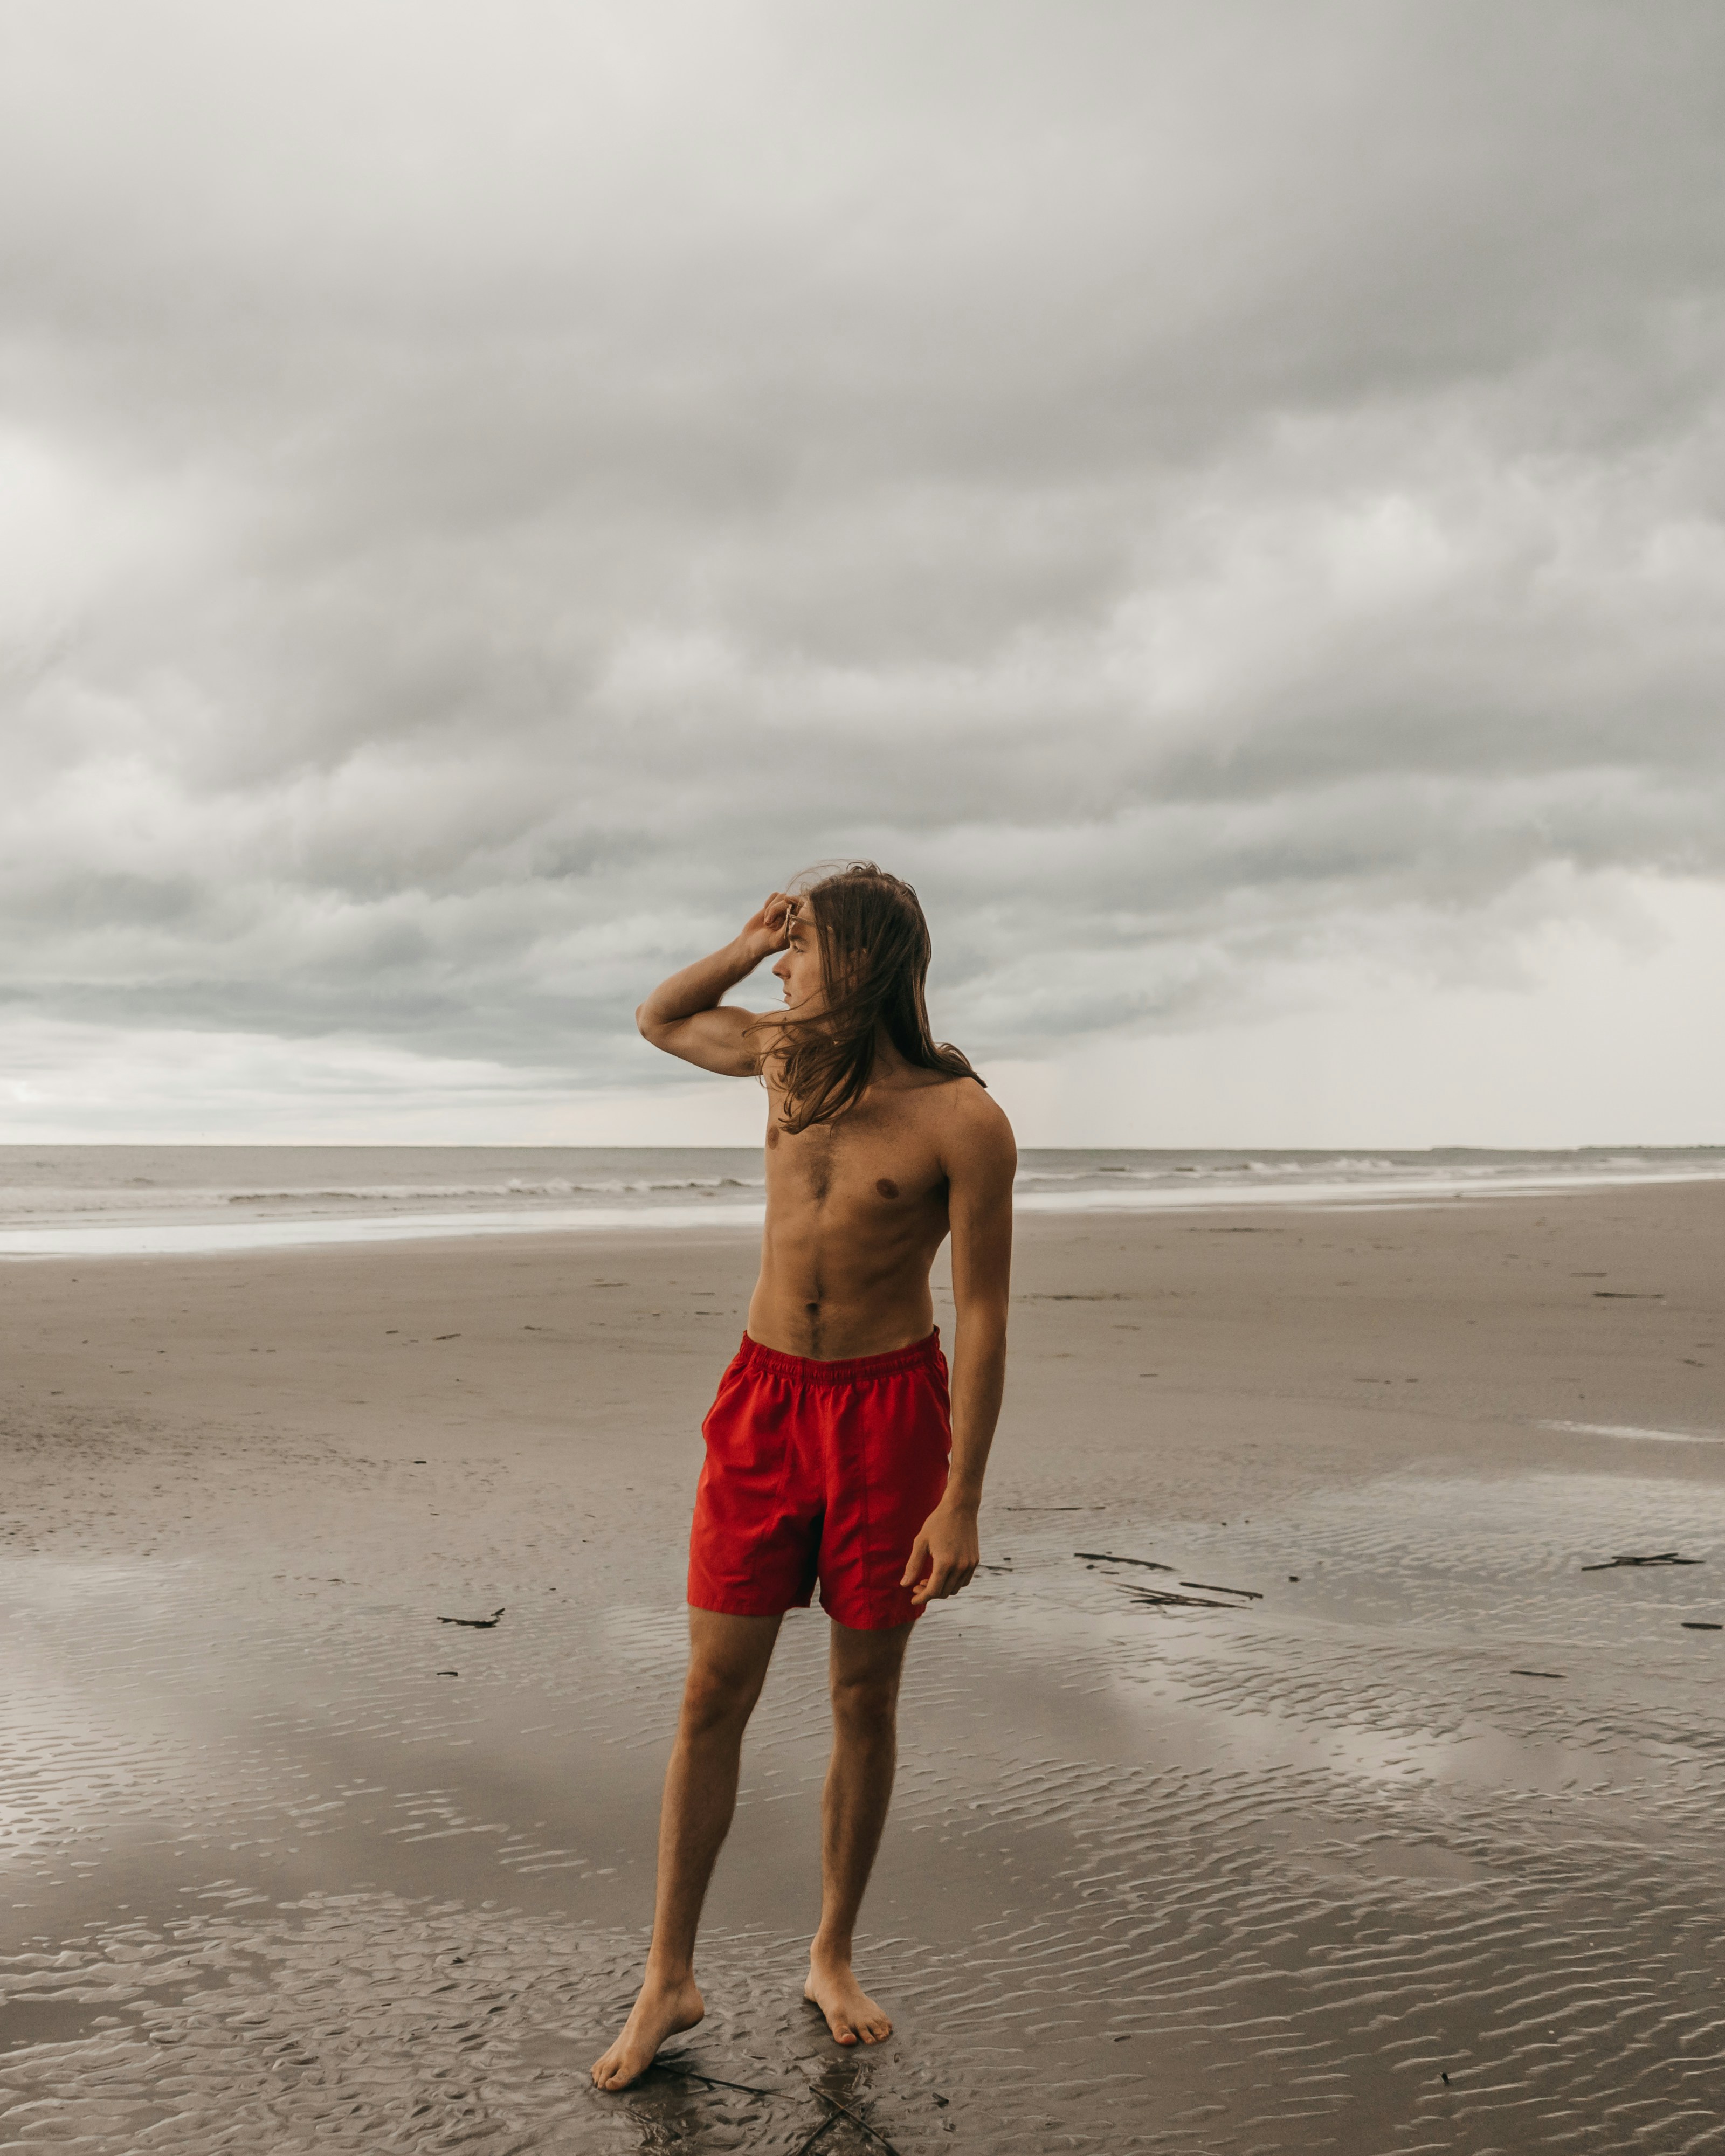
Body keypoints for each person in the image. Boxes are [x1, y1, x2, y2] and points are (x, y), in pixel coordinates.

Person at [591, 862, 1016, 2092]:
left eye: (802, 942)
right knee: (708, 1694)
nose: (783, 964)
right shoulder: (782, 1058)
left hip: (890, 1418)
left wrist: (964, 1493)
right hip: (764, 1404)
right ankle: (668, 1970)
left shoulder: (962, 1120)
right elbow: (659, 1018)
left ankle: (830, 1951)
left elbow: (983, 1315)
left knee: (861, 1698)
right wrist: (742, 938)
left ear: (866, 960)